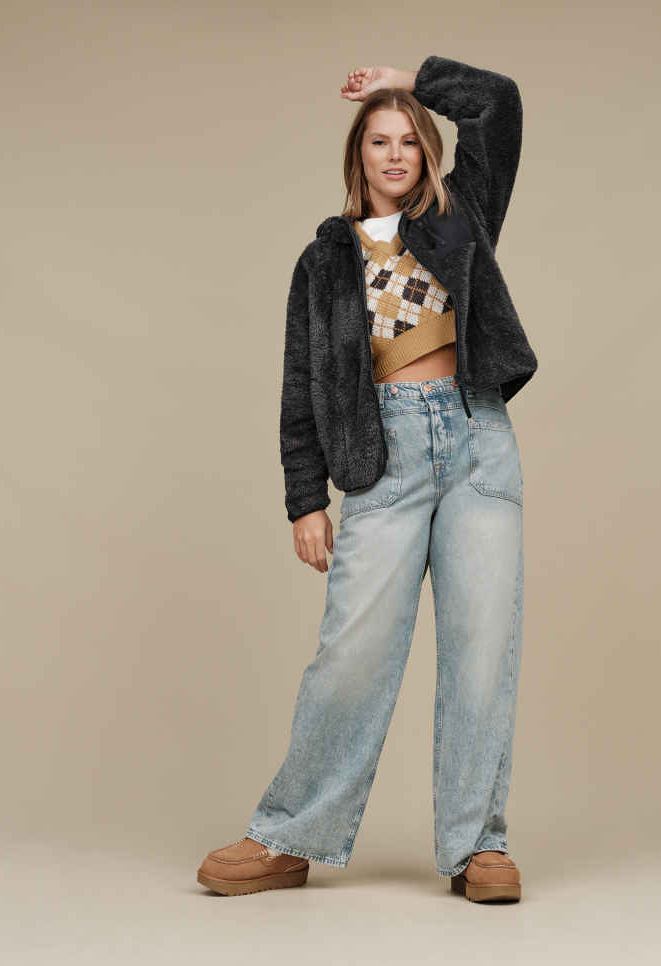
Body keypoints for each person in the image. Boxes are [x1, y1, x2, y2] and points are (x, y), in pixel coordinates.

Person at [198, 54, 538, 903]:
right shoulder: (325, 261)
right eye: (379, 141)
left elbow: (497, 106)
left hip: (476, 444)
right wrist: (304, 500)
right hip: (381, 460)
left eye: (409, 141)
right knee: (351, 655)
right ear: (358, 155)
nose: (395, 155)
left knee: (482, 654)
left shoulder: (462, 216)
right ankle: (289, 836)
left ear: (428, 152)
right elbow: (300, 385)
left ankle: (479, 848)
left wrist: (413, 79)